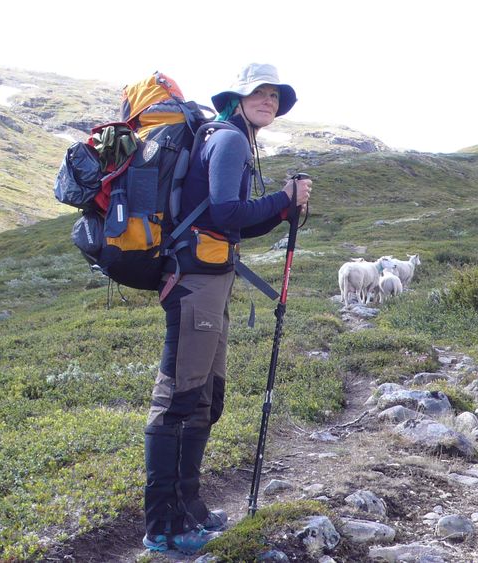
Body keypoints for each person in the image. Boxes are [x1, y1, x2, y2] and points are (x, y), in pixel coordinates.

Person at [142, 63, 312, 554]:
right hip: (195, 282)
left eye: (276, 96)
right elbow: (225, 211)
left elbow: (233, 226)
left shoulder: (236, 138)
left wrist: (282, 208)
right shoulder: (231, 138)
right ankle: (163, 526)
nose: (270, 101)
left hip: (210, 279)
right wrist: (283, 197)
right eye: (260, 93)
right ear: (236, 97)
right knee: (179, 397)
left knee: (204, 399)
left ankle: (189, 508)